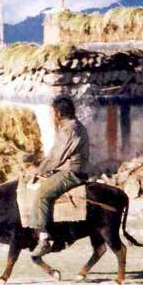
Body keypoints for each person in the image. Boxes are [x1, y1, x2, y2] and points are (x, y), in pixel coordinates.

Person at [18, 96, 90, 258]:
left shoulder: (69, 130)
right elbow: (54, 155)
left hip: (71, 172)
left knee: (42, 193)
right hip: (65, 169)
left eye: (52, 113)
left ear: (58, 113)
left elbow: (57, 157)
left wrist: (38, 171)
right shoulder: (71, 127)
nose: (51, 116)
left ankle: (43, 238)